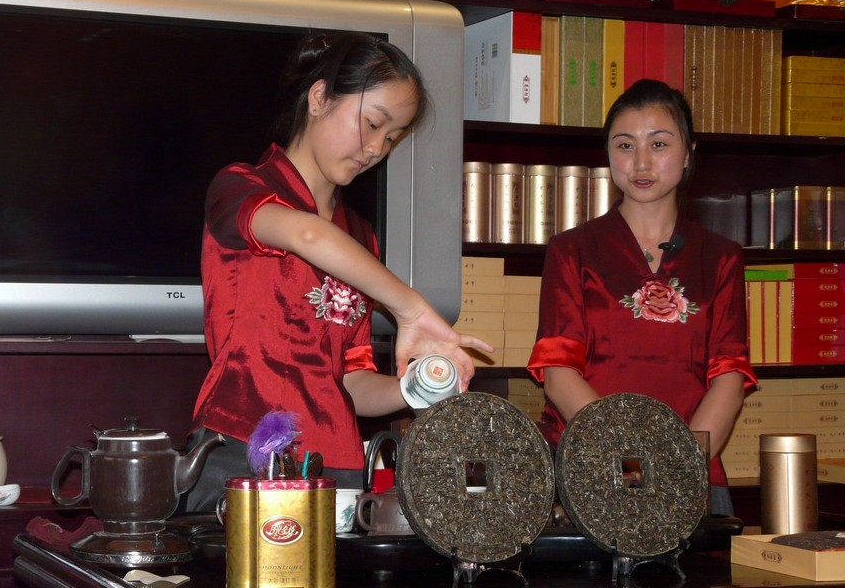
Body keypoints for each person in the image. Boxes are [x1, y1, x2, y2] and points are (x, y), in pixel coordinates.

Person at [181, 32, 492, 513]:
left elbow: (350, 382)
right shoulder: (240, 186)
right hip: (243, 452)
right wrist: (410, 308)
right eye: (372, 123)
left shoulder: (359, 236)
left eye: (392, 137)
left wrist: (420, 385)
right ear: (319, 97)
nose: (376, 148)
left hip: (336, 467)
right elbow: (305, 234)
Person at [526, 79, 757, 515]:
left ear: (688, 154)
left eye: (659, 144)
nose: (641, 162)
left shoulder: (721, 256)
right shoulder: (572, 250)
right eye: (625, 145)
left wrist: (674, 468)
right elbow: (558, 372)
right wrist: (632, 468)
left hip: (687, 471)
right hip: (592, 466)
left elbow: (728, 377)